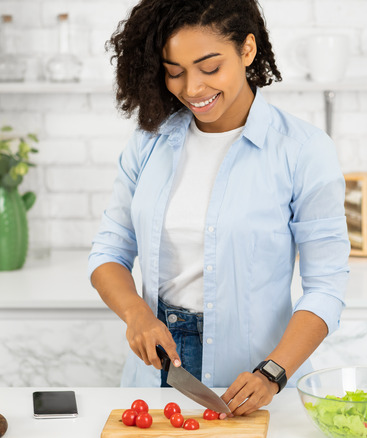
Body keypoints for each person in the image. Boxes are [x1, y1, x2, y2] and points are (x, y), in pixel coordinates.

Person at [88, 0, 349, 416]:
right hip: (155, 378)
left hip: (256, 385)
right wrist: (136, 314)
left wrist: (273, 372)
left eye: (209, 68)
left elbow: (327, 288)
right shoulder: (149, 142)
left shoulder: (302, 150)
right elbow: (108, 253)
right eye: (175, 71)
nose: (192, 88)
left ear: (247, 50)